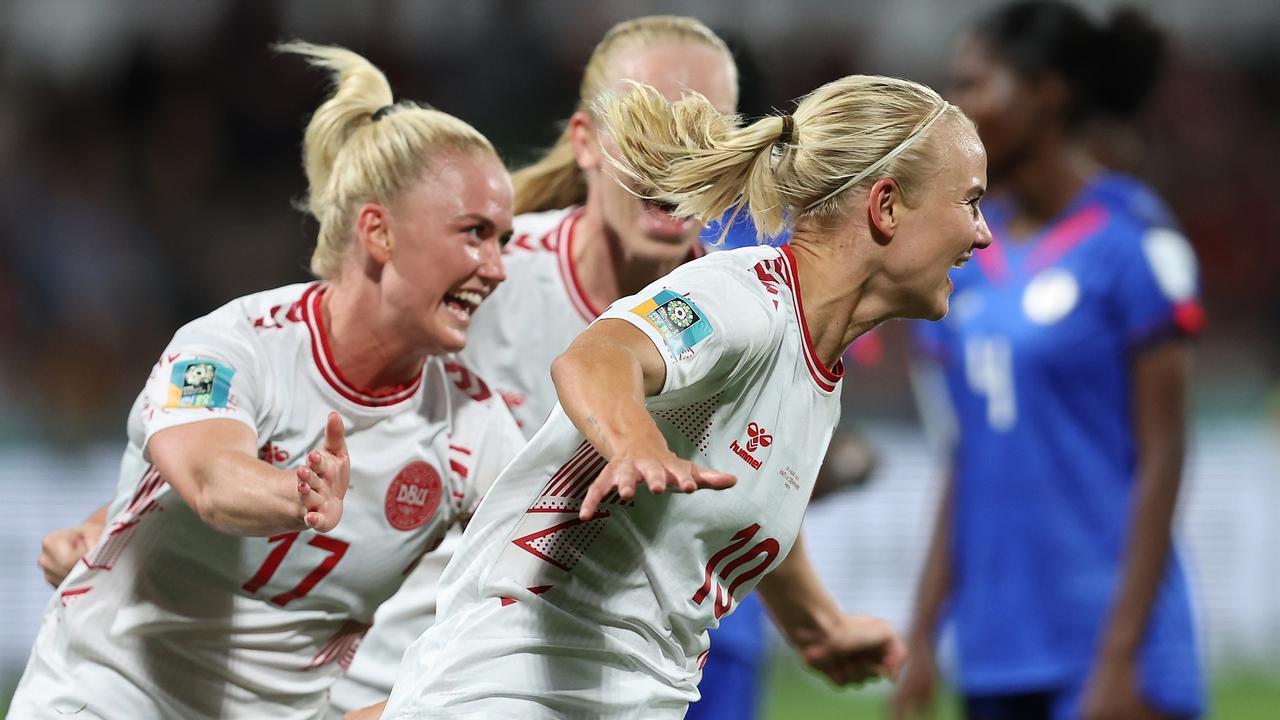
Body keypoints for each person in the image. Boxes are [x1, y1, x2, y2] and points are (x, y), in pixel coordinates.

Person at [380, 71, 992, 719]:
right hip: (508, 691)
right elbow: (598, 356)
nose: (981, 234)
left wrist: (820, 627)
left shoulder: (814, 371)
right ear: (887, 206)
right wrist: (635, 443)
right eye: (970, 202)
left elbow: (737, 504)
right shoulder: (746, 298)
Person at [11, 42, 524, 719]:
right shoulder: (229, 350)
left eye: (504, 241)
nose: (495, 267)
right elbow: (210, 480)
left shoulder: (473, 428)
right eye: (474, 233)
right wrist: (295, 495)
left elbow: (536, 594)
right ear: (379, 232)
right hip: (106, 698)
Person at [330, 16, 772, 720]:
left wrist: (819, 620)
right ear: (585, 144)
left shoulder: (745, 321)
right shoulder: (482, 277)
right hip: (404, 681)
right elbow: (321, 406)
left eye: (706, 136)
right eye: (644, 130)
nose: (675, 159)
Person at [891, 3, 1206, 720]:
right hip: (996, 652)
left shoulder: (1134, 242)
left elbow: (1164, 456)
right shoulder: (966, 256)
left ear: (1044, 93)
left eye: (975, 85)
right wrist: (923, 634)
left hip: (1106, 650)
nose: (958, 110)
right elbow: (963, 459)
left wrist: (1121, 657)